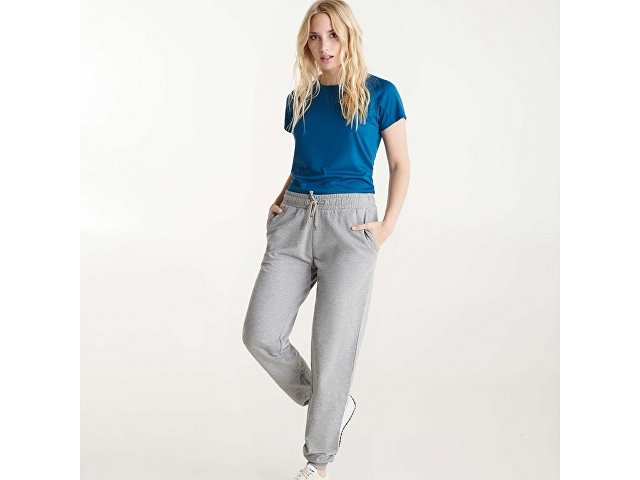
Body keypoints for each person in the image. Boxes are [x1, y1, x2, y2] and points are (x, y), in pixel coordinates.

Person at [242, 0, 410, 478]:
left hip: (351, 226)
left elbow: (400, 164)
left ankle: (317, 461)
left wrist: (386, 227)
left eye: (333, 35)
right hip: (295, 218)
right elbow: (304, 161)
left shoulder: (381, 94)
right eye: (315, 36)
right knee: (260, 334)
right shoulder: (301, 98)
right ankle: (328, 402)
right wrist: (279, 201)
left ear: (349, 36)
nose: (324, 46)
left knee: (332, 347)